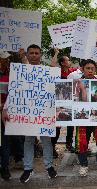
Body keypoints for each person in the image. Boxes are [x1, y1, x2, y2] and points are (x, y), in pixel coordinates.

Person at [4, 44, 57, 183]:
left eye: (36, 53)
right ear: (27, 55)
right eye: (31, 53)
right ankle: (28, 168)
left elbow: (53, 84)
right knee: (28, 140)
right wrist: (5, 108)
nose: (34, 55)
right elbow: (14, 91)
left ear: (40, 55)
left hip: (44, 112)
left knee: (46, 140)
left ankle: (49, 166)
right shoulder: (20, 72)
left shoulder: (46, 71)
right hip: (27, 114)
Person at [74, 59, 97, 176]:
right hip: (82, 117)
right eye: (87, 68)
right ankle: (83, 165)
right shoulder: (77, 83)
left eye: (92, 68)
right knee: (82, 141)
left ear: (95, 70)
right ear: (82, 69)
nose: (90, 70)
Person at [0, 51, 24, 180]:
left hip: (7, 112)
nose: (5, 61)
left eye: (6, 59)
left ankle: (5, 167)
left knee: (5, 140)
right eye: (3, 59)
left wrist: (4, 106)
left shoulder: (11, 74)